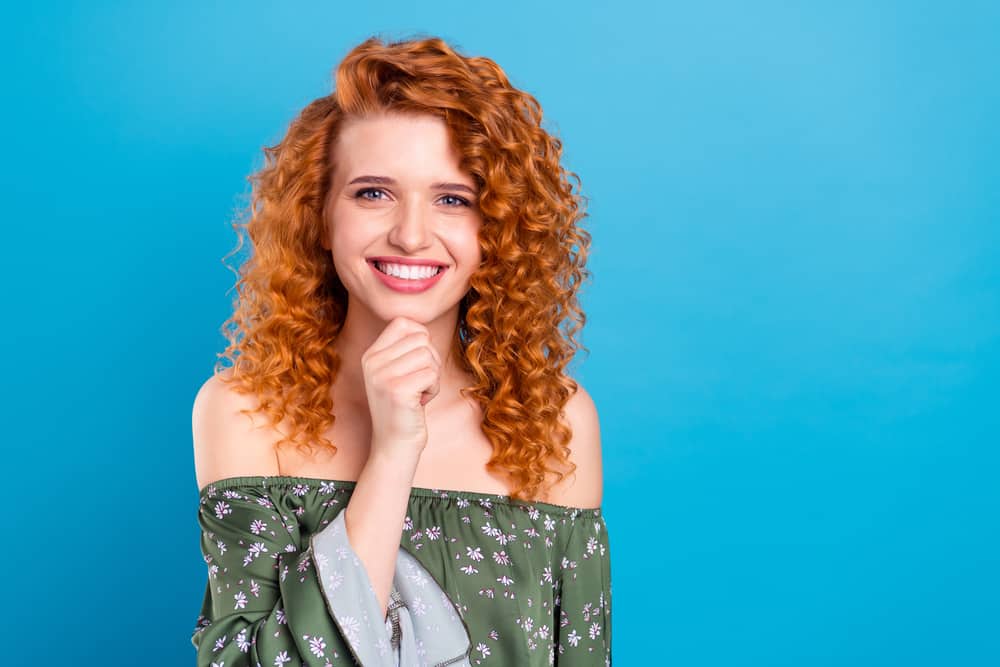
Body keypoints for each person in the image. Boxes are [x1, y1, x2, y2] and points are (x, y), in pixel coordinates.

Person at [190, 34, 611, 666]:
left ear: (496, 229)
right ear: (319, 216)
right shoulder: (245, 410)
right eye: (373, 192)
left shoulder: (554, 419)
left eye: (453, 199)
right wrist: (393, 452)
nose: (412, 235)